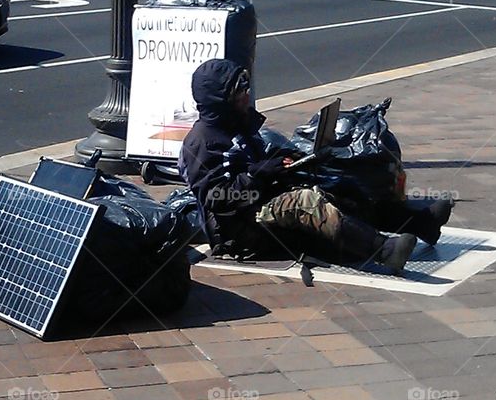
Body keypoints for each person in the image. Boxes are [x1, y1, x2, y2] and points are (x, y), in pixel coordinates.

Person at [180, 60, 453, 274]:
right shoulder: (202, 143)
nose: (246, 94)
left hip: (262, 199)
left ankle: (420, 223)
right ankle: (384, 251)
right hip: (238, 230)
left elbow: (259, 161)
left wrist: (285, 158)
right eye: (239, 90)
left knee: (334, 180)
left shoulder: (237, 125)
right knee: (305, 201)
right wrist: (258, 175)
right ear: (220, 98)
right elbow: (217, 198)